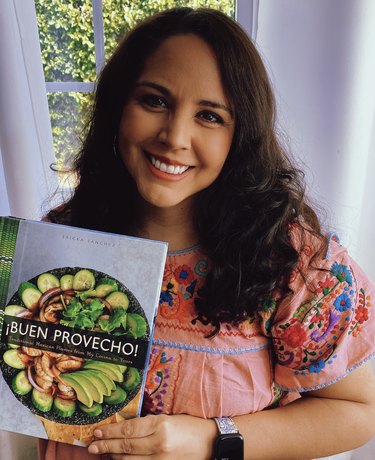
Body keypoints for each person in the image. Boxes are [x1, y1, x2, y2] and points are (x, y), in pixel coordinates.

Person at [38, 7, 375, 460]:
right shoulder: (60, 241)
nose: (175, 136)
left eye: (210, 116)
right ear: (119, 107)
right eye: (154, 100)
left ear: (241, 135)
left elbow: (358, 410)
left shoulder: (294, 267)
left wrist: (212, 439)